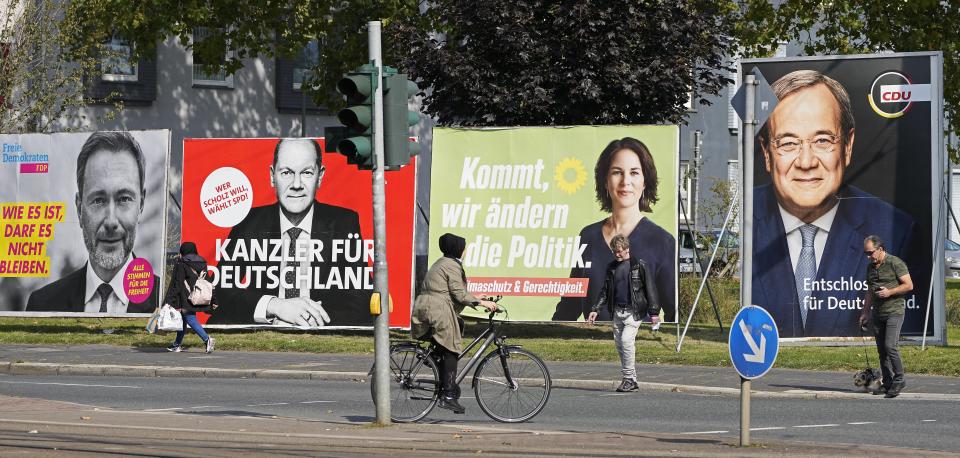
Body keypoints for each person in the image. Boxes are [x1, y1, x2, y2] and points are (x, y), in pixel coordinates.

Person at [753, 69, 916, 337]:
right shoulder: (749, 219)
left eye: (822, 140)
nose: (806, 162)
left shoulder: (899, 231)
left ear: (847, 146)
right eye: (789, 143)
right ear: (767, 153)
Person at [208, 138, 369, 327]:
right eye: (286, 172)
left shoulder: (342, 222)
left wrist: (309, 318)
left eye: (307, 172)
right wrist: (274, 306)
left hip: (319, 331)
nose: (297, 184)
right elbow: (222, 288)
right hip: (263, 332)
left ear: (320, 176)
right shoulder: (249, 221)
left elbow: (360, 295)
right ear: (272, 176)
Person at [26, 131, 159, 313]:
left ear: (141, 204)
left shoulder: (167, 300)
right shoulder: (42, 304)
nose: (111, 221)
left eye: (124, 199)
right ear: (80, 208)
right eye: (98, 200)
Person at [553, 137, 675, 323]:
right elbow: (570, 305)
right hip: (589, 347)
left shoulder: (662, 241)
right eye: (617, 172)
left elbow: (674, 312)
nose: (625, 181)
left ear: (645, 182)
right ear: (605, 181)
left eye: (634, 173)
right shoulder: (588, 236)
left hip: (638, 347)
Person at [410, 233, 499, 414]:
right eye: (464, 247)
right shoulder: (451, 265)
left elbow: (449, 290)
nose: (465, 251)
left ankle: (434, 359)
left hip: (428, 308)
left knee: (450, 337)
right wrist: (482, 303)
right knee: (452, 347)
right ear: (459, 249)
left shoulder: (442, 262)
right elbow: (458, 293)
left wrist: (475, 297)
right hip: (437, 310)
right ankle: (448, 395)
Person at [587, 234, 660, 392]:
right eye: (614, 251)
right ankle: (631, 379)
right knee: (621, 346)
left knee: (626, 341)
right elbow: (605, 291)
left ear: (627, 249)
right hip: (617, 312)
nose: (617, 254)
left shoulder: (639, 265)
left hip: (633, 312)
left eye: (619, 251)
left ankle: (628, 378)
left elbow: (651, 289)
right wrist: (595, 310)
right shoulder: (611, 267)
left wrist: (654, 312)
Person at [859, 235, 912, 398]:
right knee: (882, 350)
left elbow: (909, 285)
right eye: (866, 254)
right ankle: (887, 383)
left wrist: (890, 291)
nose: (868, 257)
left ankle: (899, 379)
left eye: (870, 253)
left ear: (880, 249)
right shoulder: (871, 268)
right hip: (878, 313)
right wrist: (865, 312)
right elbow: (869, 292)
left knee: (890, 346)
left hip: (894, 311)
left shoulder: (895, 263)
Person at [164, 242, 217, 353]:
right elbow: (208, 281)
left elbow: (177, 283)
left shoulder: (182, 263)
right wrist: (214, 298)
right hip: (197, 295)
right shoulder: (202, 262)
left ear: (183, 251)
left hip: (185, 295)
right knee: (183, 319)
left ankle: (207, 339)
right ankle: (176, 344)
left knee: (189, 318)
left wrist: (171, 299)